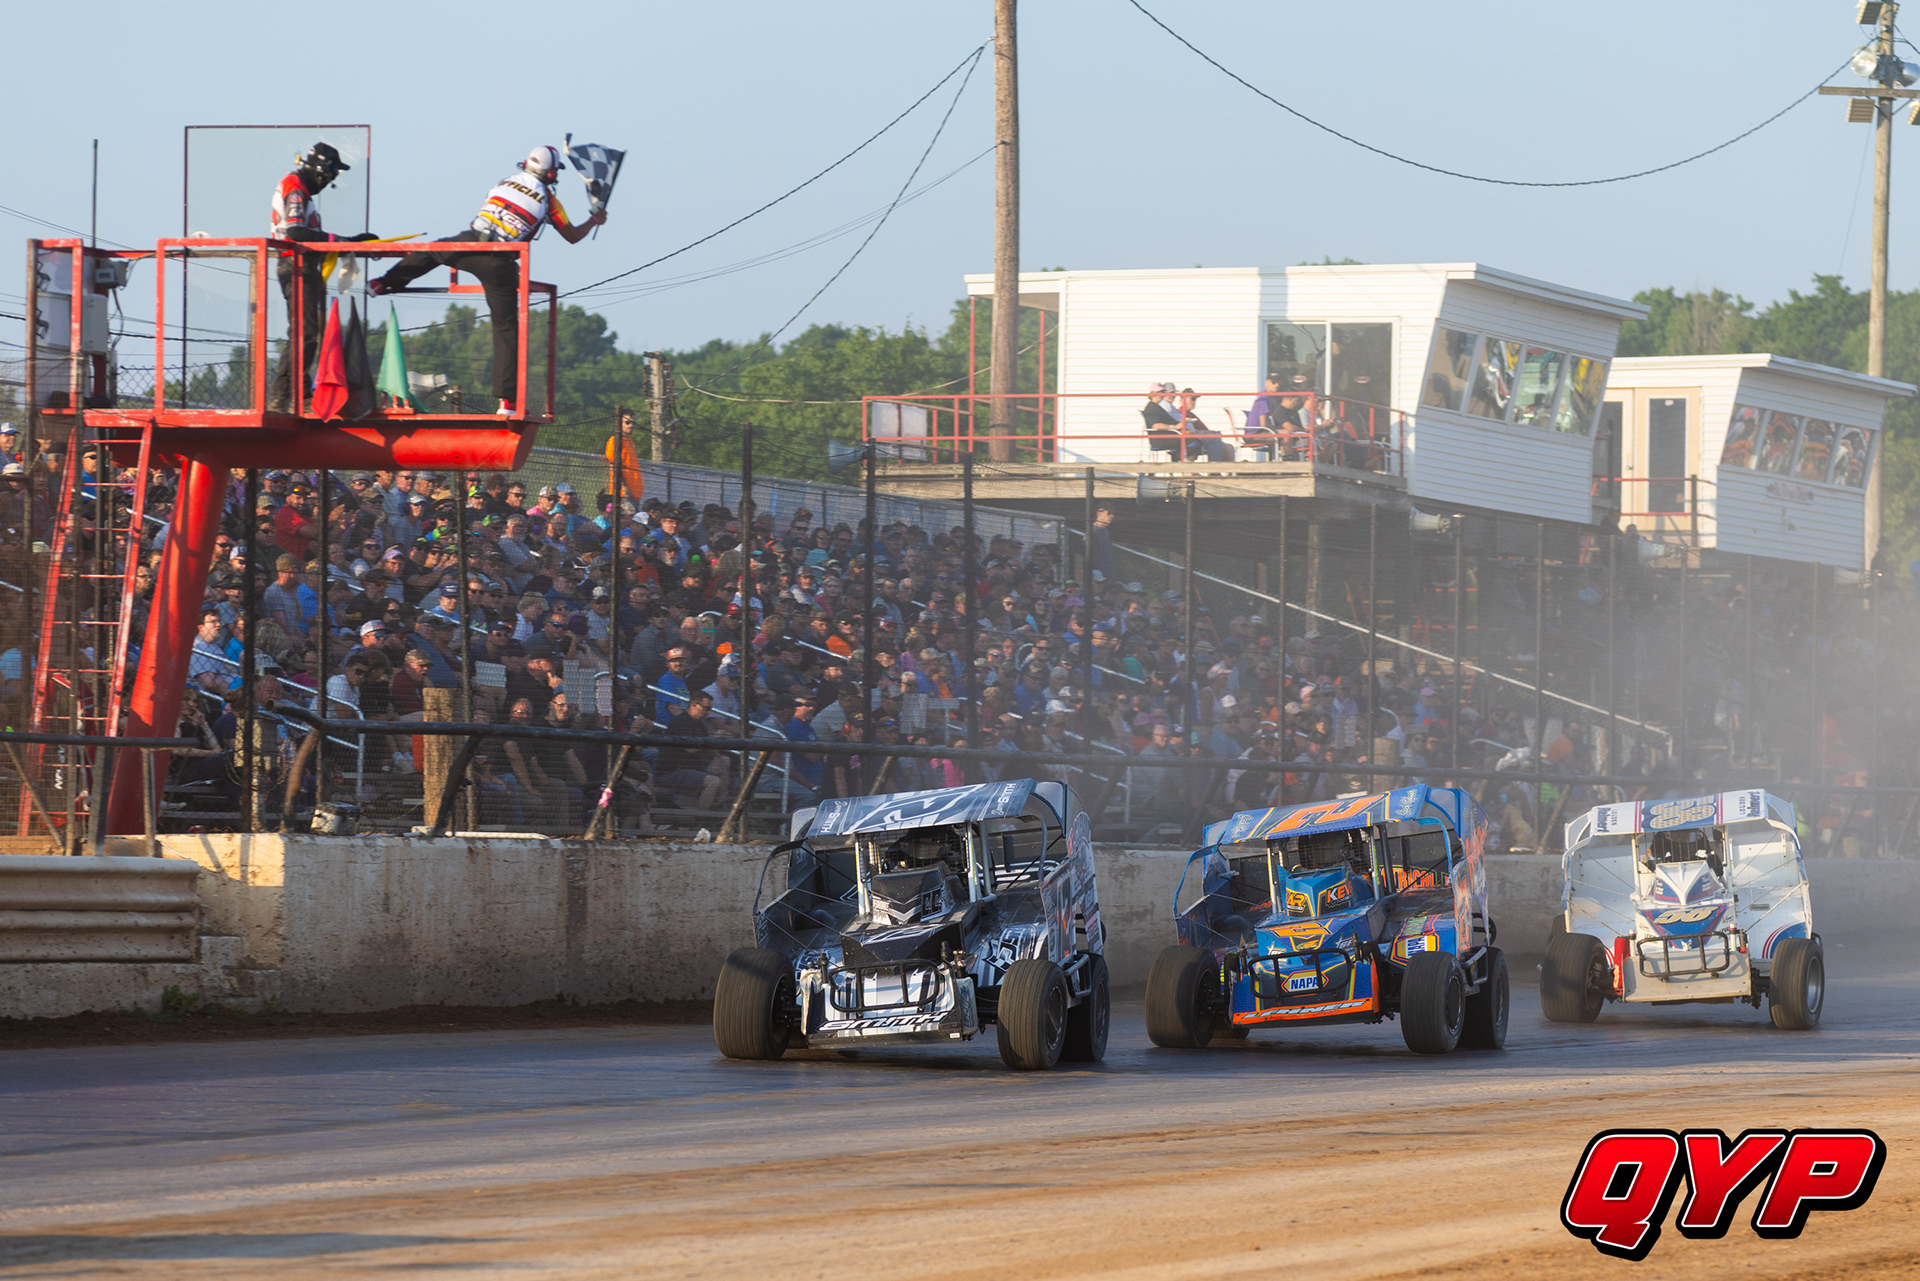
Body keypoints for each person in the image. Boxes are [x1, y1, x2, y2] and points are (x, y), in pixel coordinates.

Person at [372, 146, 606, 416]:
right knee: (506, 329)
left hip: (470, 242)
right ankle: (507, 404)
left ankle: (382, 283)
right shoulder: (549, 200)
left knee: (431, 250)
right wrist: (594, 220)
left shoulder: (504, 181)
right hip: (500, 259)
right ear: (550, 172)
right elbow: (572, 235)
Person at [269, 143, 377, 412]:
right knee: (306, 333)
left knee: (303, 332)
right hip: (297, 266)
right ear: (321, 171)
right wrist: (342, 241)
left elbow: (309, 235)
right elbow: (296, 232)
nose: (330, 181)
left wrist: (346, 243)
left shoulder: (299, 188)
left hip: (302, 266)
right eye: (331, 176)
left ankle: (285, 395)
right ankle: (292, 394)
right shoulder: (296, 189)